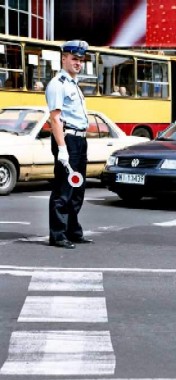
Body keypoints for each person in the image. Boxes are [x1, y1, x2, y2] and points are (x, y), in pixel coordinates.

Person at [45, 39, 93, 249]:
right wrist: (62, 149)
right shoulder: (58, 84)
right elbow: (55, 119)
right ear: (63, 58)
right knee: (64, 190)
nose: (78, 63)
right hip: (69, 140)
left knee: (77, 188)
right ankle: (58, 234)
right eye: (74, 58)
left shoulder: (74, 84)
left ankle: (73, 231)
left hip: (80, 140)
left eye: (81, 60)